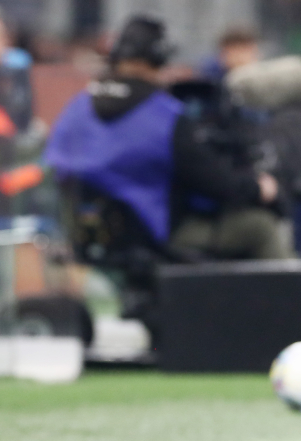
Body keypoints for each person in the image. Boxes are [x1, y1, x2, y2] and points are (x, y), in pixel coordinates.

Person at [45, 16, 287, 261]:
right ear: (158, 59)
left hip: (84, 238)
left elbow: (54, 168)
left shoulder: (76, 108)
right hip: (150, 239)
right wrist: (257, 188)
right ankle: (295, 299)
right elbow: (213, 182)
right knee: (260, 227)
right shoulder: (165, 115)